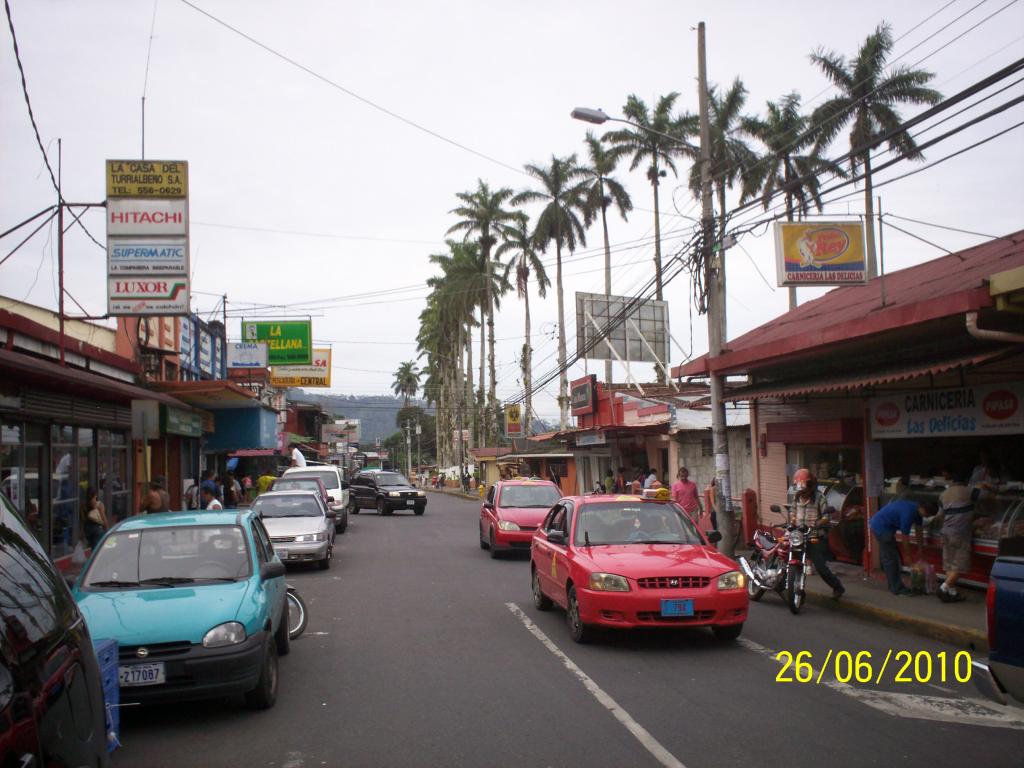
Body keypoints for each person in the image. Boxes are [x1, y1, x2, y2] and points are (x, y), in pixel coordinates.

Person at [790, 468, 845, 599]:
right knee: (787, 558)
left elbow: (827, 516)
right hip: (798, 535)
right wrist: (792, 521)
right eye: (800, 489)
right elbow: (792, 511)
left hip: (814, 536)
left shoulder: (820, 498)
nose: (802, 492)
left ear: (811, 485)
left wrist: (818, 523)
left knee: (820, 567)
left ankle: (838, 587)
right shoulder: (796, 498)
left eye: (804, 489)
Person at [930, 472, 984, 602]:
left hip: (946, 532)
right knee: (959, 566)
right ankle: (943, 588)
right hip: (960, 533)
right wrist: (985, 486)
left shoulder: (944, 494)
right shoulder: (969, 491)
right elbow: (988, 497)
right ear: (966, 482)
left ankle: (951, 593)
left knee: (949, 565)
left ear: (953, 482)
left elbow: (941, 514)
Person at [869, 498, 933, 596]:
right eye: (927, 514)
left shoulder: (917, 510)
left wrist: (920, 549)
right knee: (891, 559)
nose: (927, 517)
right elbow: (905, 538)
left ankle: (894, 585)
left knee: (889, 556)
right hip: (881, 528)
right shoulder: (909, 513)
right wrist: (908, 556)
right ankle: (897, 588)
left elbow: (919, 530)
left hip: (883, 526)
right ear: (922, 508)